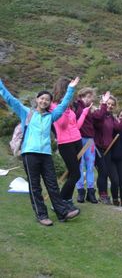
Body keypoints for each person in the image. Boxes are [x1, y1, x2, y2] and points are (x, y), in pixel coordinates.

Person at [0, 77, 81, 226]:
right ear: (37, 100)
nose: (44, 101)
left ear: (49, 103)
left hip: (46, 155)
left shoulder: (51, 116)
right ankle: (41, 215)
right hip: (30, 154)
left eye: (47, 100)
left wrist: (70, 89)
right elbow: (10, 99)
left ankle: (62, 212)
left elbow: (62, 106)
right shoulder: (27, 113)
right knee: (35, 186)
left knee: (52, 185)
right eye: (42, 98)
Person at [51, 77, 91, 207]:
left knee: (74, 173)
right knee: (76, 174)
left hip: (77, 141)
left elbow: (75, 126)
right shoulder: (54, 106)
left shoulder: (69, 106)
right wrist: (66, 110)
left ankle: (67, 200)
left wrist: (84, 113)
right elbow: (61, 125)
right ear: (64, 89)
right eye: (70, 89)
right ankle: (59, 202)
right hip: (65, 143)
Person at [93, 94, 122, 204]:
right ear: (103, 103)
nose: (110, 106)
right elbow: (98, 119)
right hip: (98, 147)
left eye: (112, 105)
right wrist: (103, 105)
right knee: (103, 171)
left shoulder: (111, 117)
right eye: (108, 104)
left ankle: (104, 196)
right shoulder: (98, 113)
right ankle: (102, 195)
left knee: (106, 173)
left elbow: (118, 128)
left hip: (108, 149)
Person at [75, 87, 98, 203]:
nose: (90, 99)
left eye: (91, 97)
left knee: (90, 166)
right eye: (87, 96)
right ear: (81, 96)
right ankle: (80, 191)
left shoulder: (92, 109)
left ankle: (91, 191)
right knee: (79, 165)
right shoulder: (76, 106)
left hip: (89, 139)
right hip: (78, 139)